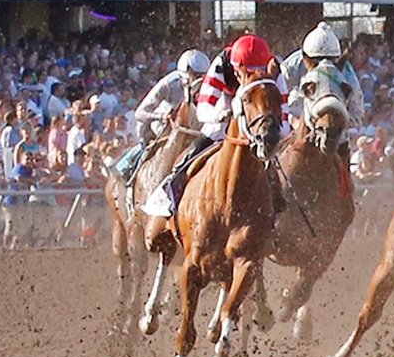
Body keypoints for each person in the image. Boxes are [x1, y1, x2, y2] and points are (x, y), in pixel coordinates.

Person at [142, 34, 286, 218]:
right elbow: (203, 110)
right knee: (184, 161)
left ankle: (278, 211)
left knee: (277, 173)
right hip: (221, 121)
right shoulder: (221, 63)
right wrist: (222, 115)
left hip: (256, 127)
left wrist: (270, 134)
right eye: (246, 74)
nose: (251, 77)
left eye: (257, 73)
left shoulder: (275, 71)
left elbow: (286, 117)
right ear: (237, 68)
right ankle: (167, 199)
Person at [115, 49, 211, 186]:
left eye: (203, 76)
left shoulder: (207, 86)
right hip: (159, 125)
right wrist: (162, 116)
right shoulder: (169, 84)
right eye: (196, 76)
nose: (200, 81)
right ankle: (133, 166)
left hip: (189, 126)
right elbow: (140, 112)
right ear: (185, 72)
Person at [280, 21, 365, 128]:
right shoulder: (292, 66)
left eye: (330, 60)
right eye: (317, 60)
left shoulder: (346, 71)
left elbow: (358, 112)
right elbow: (279, 96)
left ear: (336, 58)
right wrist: (293, 121)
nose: (324, 66)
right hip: (296, 122)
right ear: (307, 59)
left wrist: (342, 125)